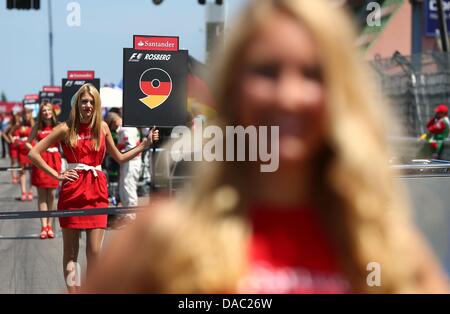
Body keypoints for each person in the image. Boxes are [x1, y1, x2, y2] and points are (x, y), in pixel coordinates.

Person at [85, 0, 449, 293]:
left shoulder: (382, 243)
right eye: (267, 71)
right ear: (232, 89)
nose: (289, 96)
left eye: (313, 73)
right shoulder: (161, 238)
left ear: (342, 93)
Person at [28, 83, 159, 293]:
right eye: (84, 101)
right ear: (77, 103)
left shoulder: (103, 127)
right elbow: (33, 153)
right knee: (71, 253)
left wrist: (144, 145)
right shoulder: (65, 127)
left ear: (96, 104)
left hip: (97, 191)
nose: (87, 105)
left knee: (95, 252)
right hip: (72, 191)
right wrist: (57, 175)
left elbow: (120, 157)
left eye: (91, 101)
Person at [26, 102, 62, 239]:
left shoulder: (58, 126)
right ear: (41, 113)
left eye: (48, 110)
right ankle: (44, 226)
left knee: (52, 195)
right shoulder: (38, 126)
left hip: (54, 161)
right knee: (42, 195)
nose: (46, 112)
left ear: (53, 111)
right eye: (44, 110)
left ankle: (50, 225)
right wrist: (36, 151)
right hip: (41, 161)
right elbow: (28, 142)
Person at [106, 112, 142, 227]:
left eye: (111, 125)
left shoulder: (125, 129)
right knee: (124, 189)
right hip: (128, 161)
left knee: (128, 189)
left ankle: (131, 218)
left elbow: (130, 147)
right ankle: (127, 215)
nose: (111, 128)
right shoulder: (126, 127)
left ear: (114, 121)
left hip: (131, 161)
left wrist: (118, 154)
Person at [12, 109, 35, 201]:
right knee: (22, 171)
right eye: (25, 113)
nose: (26, 115)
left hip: (31, 150)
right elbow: (13, 135)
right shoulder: (19, 125)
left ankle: (30, 191)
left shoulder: (34, 124)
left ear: (31, 114)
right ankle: (23, 192)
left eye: (28, 113)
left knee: (32, 172)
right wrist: (15, 141)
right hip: (21, 151)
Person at [3, 113, 21, 184]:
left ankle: (19, 176)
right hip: (13, 145)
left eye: (18, 117)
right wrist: (8, 140)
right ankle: (14, 177)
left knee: (20, 161)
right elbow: (4, 133)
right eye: (15, 117)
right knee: (13, 162)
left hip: (20, 145)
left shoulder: (21, 125)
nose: (16, 119)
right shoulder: (11, 126)